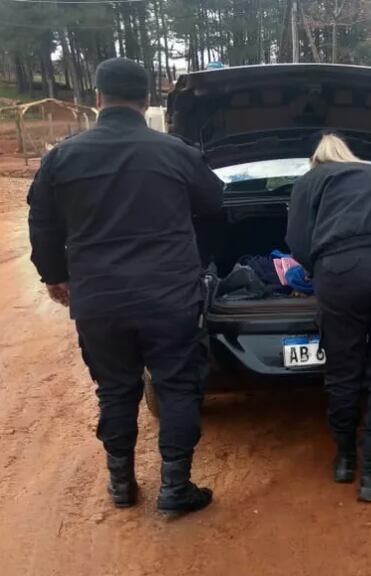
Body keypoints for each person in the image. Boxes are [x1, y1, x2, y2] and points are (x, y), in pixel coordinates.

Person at [27, 58, 225, 515]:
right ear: (147, 100)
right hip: (170, 295)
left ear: (97, 98)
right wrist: (200, 260)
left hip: (99, 299)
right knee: (177, 386)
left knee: (115, 390)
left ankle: (121, 484)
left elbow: (43, 224)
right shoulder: (175, 153)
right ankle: (175, 489)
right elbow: (216, 205)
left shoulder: (63, 157)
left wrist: (55, 276)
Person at [287, 134, 371, 503]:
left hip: (342, 270)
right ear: (349, 155)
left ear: (317, 159)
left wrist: (322, 270)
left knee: (343, 370)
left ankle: (345, 461)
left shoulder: (309, 180)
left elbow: (297, 240)